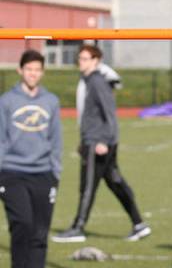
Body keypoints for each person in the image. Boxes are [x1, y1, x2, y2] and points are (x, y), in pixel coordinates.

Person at [52, 45, 150, 243]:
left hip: (98, 143)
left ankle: (78, 228)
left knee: (87, 186)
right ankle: (139, 224)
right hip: (93, 140)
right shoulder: (88, 81)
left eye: (85, 58)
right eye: (80, 58)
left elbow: (109, 114)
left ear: (96, 61)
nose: (81, 62)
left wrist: (104, 141)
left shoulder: (97, 82)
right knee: (115, 182)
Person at [0, 50, 62, 268]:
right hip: (12, 172)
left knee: (39, 231)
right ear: (20, 71)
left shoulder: (51, 101)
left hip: (43, 174)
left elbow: (56, 140)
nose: (33, 74)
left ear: (42, 72)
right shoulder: (7, 101)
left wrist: (55, 172)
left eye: (37, 70)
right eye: (29, 69)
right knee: (22, 224)